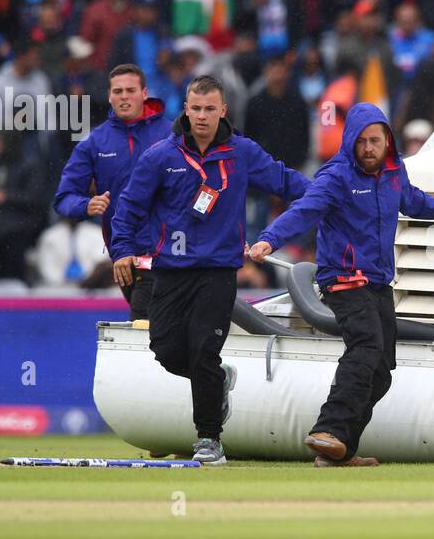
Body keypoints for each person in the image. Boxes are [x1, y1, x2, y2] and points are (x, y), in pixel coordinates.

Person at [248, 103, 434, 467]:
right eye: (362, 142)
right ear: (351, 141)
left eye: (376, 140)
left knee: (382, 371)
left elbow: (413, 201)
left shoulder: (394, 171)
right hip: (343, 280)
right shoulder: (335, 176)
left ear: (387, 140)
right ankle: (329, 431)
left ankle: (339, 451)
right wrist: (270, 238)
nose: (369, 148)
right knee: (367, 345)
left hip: (378, 281)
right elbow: (305, 210)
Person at [109, 75, 309, 465]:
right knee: (165, 350)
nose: (202, 116)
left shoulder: (242, 153)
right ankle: (216, 382)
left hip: (217, 272)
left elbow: (284, 181)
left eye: (209, 109)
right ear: (185, 109)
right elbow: (129, 207)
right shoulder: (160, 157)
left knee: (203, 350)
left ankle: (209, 440)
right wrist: (122, 251)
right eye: (195, 108)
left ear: (223, 111)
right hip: (170, 270)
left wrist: (325, 192)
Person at [54, 64, 170, 319]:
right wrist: (85, 205)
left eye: (130, 90)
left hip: (166, 252)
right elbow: (63, 197)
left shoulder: (171, 134)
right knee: (155, 332)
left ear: (144, 93)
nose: (124, 97)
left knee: (145, 324)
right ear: (109, 96)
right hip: (122, 256)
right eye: (118, 91)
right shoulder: (95, 142)